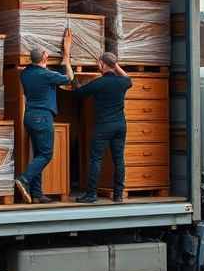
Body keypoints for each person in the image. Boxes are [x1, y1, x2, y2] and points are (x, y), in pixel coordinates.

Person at [66, 44, 132, 203]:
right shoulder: (122, 83)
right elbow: (129, 79)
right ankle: (118, 195)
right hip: (120, 126)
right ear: (114, 66)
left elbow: (78, 93)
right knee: (119, 160)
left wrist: (69, 69)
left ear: (102, 64)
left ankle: (91, 194)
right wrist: (114, 64)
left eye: (99, 63)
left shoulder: (98, 83)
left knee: (96, 159)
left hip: (104, 126)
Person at [13, 33, 73, 204]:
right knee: (46, 154)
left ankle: (37, 193)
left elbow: (41, 70)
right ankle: (24, 179)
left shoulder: (26, 73)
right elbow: (69, 78)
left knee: (38, 154)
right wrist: (67, 54)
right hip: (43, 117)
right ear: (45, 57)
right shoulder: (46, 76)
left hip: (30, 116)